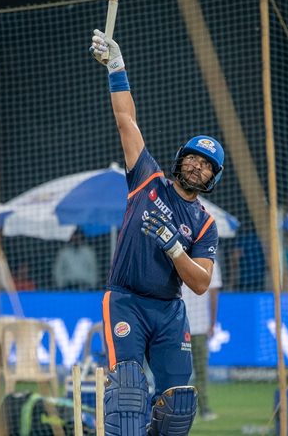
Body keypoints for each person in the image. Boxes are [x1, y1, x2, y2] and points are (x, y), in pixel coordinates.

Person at [90, 30, 223, 436]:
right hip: (126, 301)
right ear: (181, 159)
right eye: (194, 158)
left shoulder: (205, 224)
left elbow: (200, 283)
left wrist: (174, 247)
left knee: (178, 406)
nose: (198, 166)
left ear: (213, 178)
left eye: (207, 165)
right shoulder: (148, 178)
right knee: (128, 396)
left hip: (169, 311)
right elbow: (126, 119)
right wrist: (116, 67)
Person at [180, 256, 221, 422]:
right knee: (200, 371)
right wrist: (212, 323)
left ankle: (181, 409)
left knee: (180, 370)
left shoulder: (177, 254)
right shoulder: (210, 260)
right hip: (195, 324)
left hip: (180, 323)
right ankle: (203, 409)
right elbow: (214, 293)